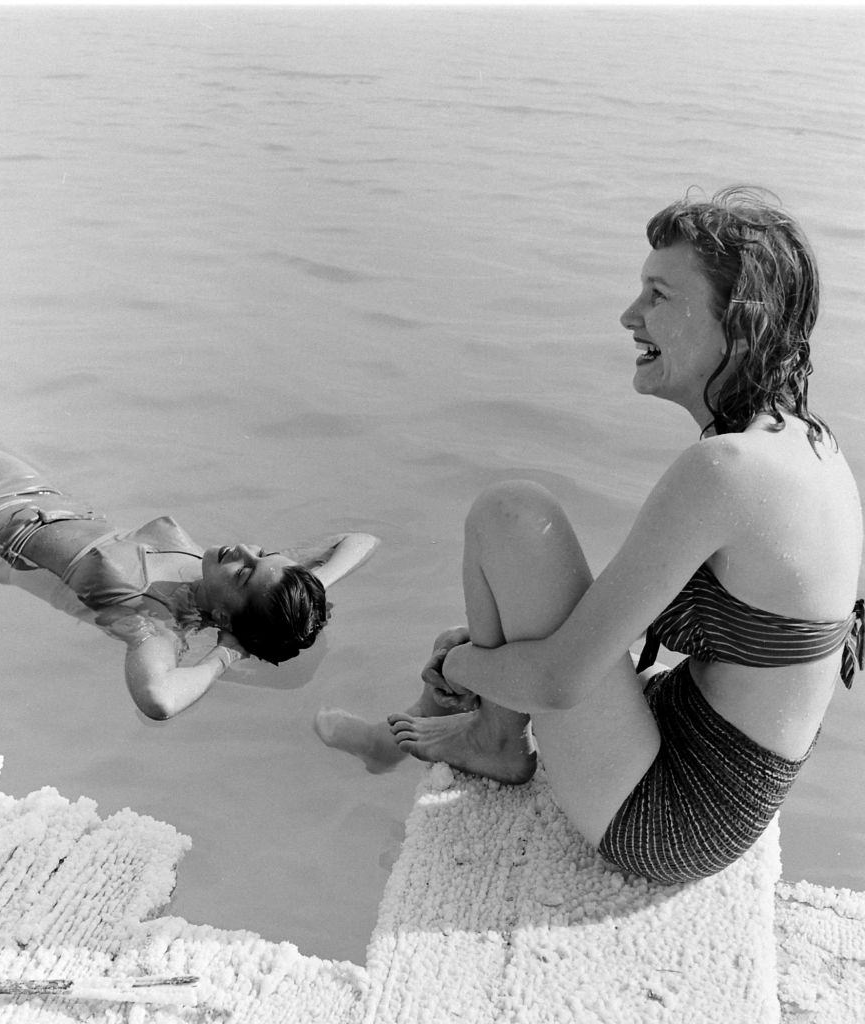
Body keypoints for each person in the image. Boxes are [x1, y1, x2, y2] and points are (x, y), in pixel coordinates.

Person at [317, 186, 864, 884]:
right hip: (708, 759)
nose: (628, 316)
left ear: (739, 320)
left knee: (511, 514)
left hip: (673, 821)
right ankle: (457, 732)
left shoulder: (727, 467)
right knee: (516, 579)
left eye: (659, 296)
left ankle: (489, 737)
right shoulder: (800, 441)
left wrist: (462, 668)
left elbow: (558, 679)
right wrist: (497, 659)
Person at [0, 382, 378, 721]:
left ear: (222, 617)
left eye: (244, 574)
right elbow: (358, 540)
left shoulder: (154, 622)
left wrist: (227, 653)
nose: (244, 551)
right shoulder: (229, 574)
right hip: (32, 490)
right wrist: (308, 587)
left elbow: (159, 701)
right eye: (260, 556)